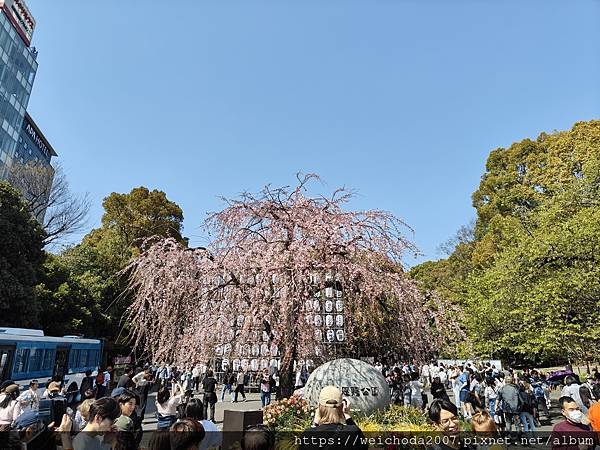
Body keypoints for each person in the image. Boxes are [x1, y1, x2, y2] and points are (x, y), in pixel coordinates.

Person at [298, 386, 367, 450]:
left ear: (319, 407)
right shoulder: (353, 432)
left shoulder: (307, 435)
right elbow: (364, 446)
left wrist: (315, 423)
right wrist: (347, 415)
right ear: (342, 406)